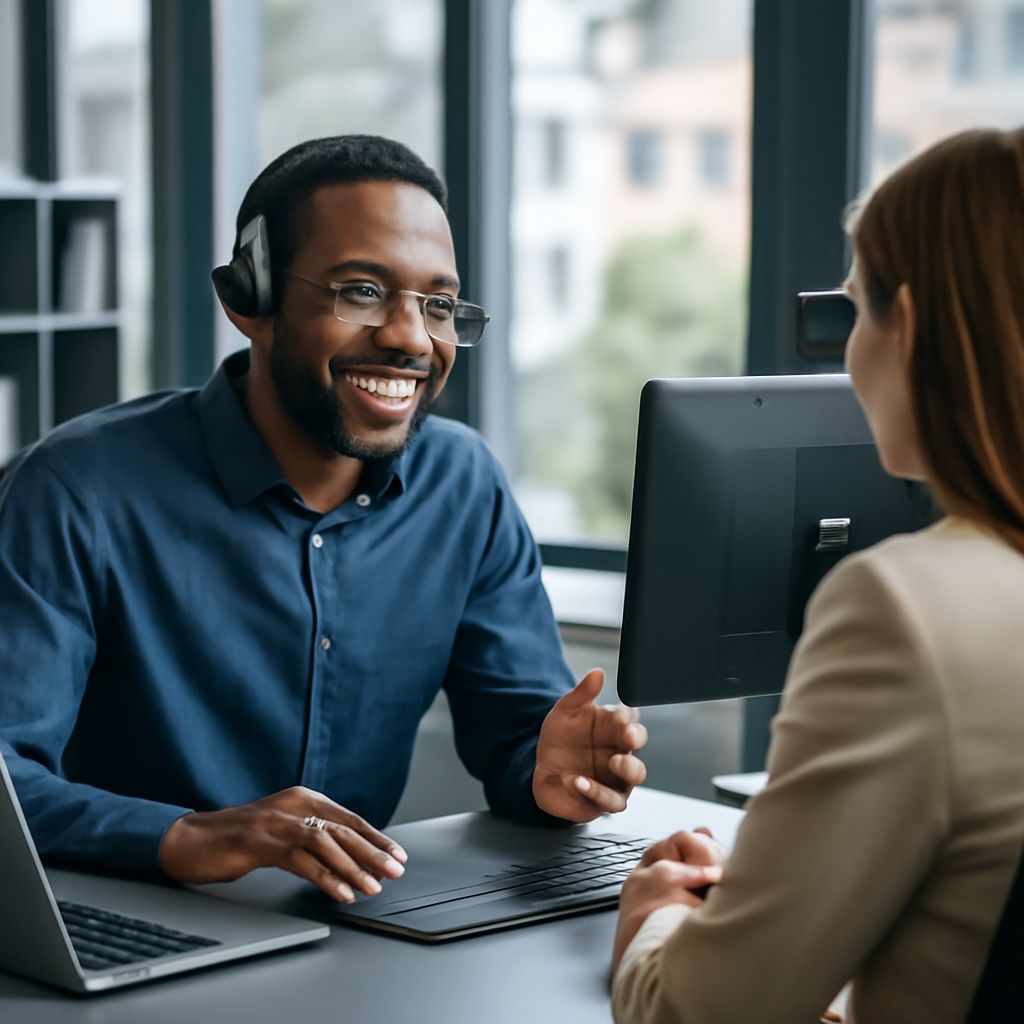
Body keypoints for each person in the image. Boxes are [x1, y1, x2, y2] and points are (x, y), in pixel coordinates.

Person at [0, 135, 647, 905]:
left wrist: (551, 771)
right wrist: (193, 836)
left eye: (438, 305)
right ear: (251, 300)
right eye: (361, 292)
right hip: (119, 932)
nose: (411, 337)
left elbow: (517, 735)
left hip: (352, 937)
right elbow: (7, 773)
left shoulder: (462, 484)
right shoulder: (75, 490)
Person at [610, 126, 1024, 1024]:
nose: (844, 355)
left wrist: (654, 922)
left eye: (852, 314)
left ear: (907, 326)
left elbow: (701, 1014)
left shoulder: (907, 609)